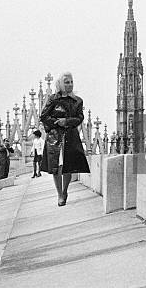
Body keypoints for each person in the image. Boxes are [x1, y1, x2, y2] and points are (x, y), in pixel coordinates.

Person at [40, 72, 90, 206]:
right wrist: (56, 123)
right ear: (61, 84)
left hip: (70, 136)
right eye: (66, 82)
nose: (70, 84)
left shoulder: (78, 101)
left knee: (68, 166)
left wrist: (66, 121)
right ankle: (59, 194)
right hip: (55, 137)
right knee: (56, 166)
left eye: (71, 82)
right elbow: (43, 116)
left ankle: (65, 190)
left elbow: (80, 118)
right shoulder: (53, 99)